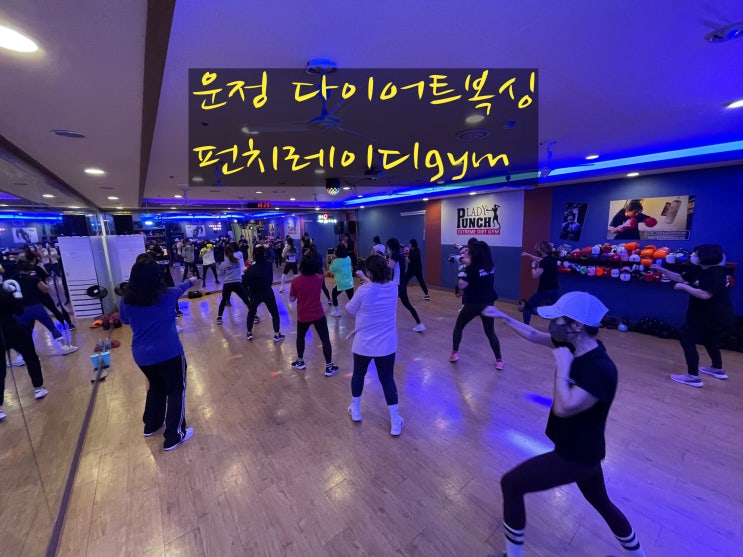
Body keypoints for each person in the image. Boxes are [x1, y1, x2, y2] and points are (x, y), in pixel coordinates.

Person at [482, 292, 647, 557]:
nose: (553, 324)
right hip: (584, 451)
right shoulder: (572, 346)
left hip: (576, 456)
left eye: (558, 319)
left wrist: (563, 368)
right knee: (602, 503)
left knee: (511, 484)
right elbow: (534, 335)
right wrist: (504, 317)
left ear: (577, 325)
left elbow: (564, 407)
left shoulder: (600, 369)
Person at [120, 258, 199, 451]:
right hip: (169, 353)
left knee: (156, 387)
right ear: (157, 276)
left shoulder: (126, 300)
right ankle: (174, 436)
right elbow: (180, 288)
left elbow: (125, 320)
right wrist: (191, 281)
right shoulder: (168, 295)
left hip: (142, 356)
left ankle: (151, 424)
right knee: (176, 389)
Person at [651, 243, 734, 387]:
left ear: (706, 256)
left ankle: (693, 377)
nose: (693, 256)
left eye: (697, 254)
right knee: (709, 340)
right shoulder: (698, 269)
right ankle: (717, 369)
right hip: (702, 314)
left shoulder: (715, 273)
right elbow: (679, 277)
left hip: (712, 315)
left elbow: (705, 294)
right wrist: (662, 269)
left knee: (686, 337)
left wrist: (684, 287)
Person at [345, 254, 404, 435]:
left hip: (363, 344)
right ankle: (395, 420)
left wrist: (364, 281)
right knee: (387, 380)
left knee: (359, 375)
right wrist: (367, 279)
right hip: (386, 345)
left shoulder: (363, 291)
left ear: (369, 273)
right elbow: (378, 286)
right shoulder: (393, 288)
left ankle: (356, 409)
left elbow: (349, 309)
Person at [1, 278, 49, 420]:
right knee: (30, 357)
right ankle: (38, 388)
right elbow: (19, 311)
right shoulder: (4, 292)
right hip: (12, 329)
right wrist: (17, 297)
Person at [449, 241, 502, 367]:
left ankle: (454, 354)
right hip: (488, 303)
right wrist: (462, 259)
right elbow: (475, 266)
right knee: (490, 332)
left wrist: (462, 272)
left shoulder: (471, 269)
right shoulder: (490, 266)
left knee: (459, 326)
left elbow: (462, 285)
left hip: (473, 303)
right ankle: (499, 360)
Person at [289, 254, 339, 376]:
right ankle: (329, 367)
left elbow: (291, 299)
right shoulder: (319, 278)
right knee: (325, 339)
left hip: (303, 315)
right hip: (318, 314)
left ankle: (300, 361)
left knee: (300, 338)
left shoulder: (295, 281)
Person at [244, 245, 284, 342]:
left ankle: (249, 333)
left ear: (254, 255)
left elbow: (246, 282)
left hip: (255, 294)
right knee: (274, 313)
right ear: (264, 254)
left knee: (251, 313)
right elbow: (270, 280)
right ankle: (277, 334)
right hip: (267, 292)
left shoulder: (251, 268)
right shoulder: (269, 265)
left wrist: (250, 292)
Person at [386, 238, 426, 332]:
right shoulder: (400, 255)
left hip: (396, 285)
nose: (387, 248)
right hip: (401, 284)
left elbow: (389, 266)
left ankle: (387, 326)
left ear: (391, 247)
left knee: (388, 304)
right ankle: (419, 324)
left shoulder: (395, 255)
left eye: (388, 246)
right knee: (407, 304)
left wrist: (381, 259)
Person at [520, 241, 559, 324]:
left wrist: (533, 266)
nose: (537, 251)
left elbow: (535, 275)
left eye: (538, 249)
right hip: (555, 290)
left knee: (527, 307)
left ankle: (525, 327)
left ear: (542, 251)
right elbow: (538, 259)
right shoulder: (552, 259)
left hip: (545, 290)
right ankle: (556, 329)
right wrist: (528, 255)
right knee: (554, 311)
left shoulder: (544, 262)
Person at [216, 245, 252, 326]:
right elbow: (239, 272)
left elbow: (220, 274)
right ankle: (255, 315)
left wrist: (222, 270)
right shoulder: (237, 261)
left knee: (224, 300)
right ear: (233, 252)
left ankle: (219, 318)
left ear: (225, 254)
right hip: (237, 283)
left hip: (227, 284)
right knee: (246, 299)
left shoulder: (223, 264)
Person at [329, 243, 354, 317]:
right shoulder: (348, 258)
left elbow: (331, 270)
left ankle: (337, 311)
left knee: (334, 295)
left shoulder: (336, 261)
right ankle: (358, 311)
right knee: (352, 299)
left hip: (341, 283)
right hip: (349, 282)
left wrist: (333, 261)